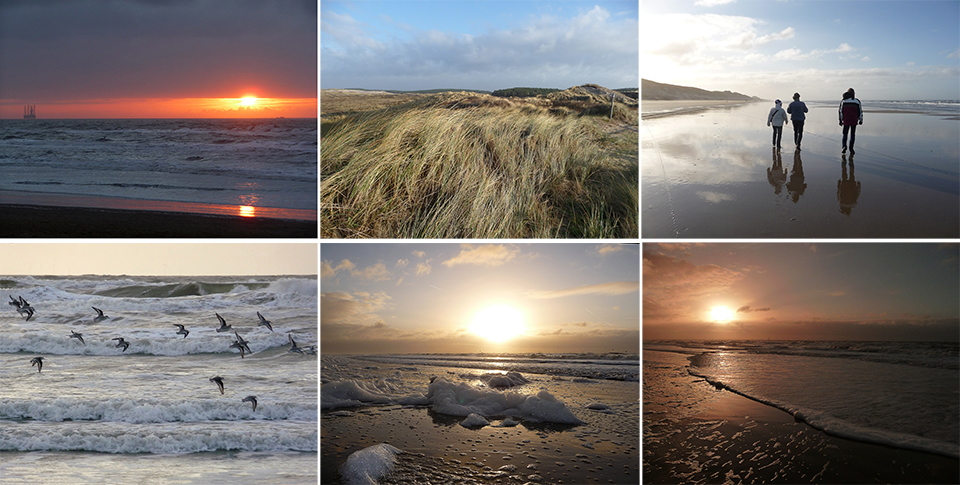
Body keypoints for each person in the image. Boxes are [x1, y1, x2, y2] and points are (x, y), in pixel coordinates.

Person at [839, 88, 863, 154]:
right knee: (852, 135)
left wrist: (840, 120)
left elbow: (841, 112)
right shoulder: (857, 101)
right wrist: (861, 120)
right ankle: (851, 149)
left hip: (846, 120)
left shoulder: (843, 101)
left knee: (845, 134)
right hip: (854, 121)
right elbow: (860, 111)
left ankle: (844, 146)